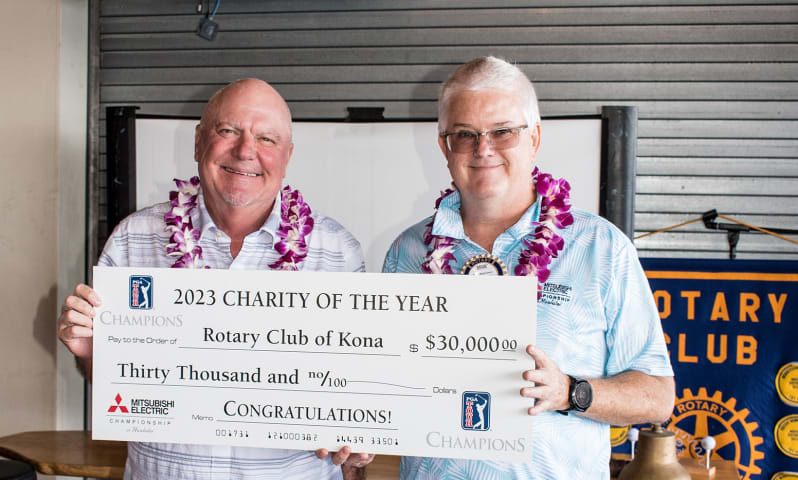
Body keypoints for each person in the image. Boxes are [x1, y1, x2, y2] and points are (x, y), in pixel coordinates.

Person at [58, 78, 374, 479]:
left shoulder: (337, 251)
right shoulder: (133, 238)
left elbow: (356, 391)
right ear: (197, 142)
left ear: (287, 155)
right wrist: (89, 352)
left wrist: (362, 438)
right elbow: (110, 377)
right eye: (228, 131)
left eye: (267, 139)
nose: (245, 151)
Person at [383, 57, 675, 479]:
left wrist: (570, 392)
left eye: (503, 132)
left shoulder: (600, 246)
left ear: (534, 138)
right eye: (464, 134)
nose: (484, 149)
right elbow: (389, 380)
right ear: (445, 146)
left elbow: (657, 397)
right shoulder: (407, 251)